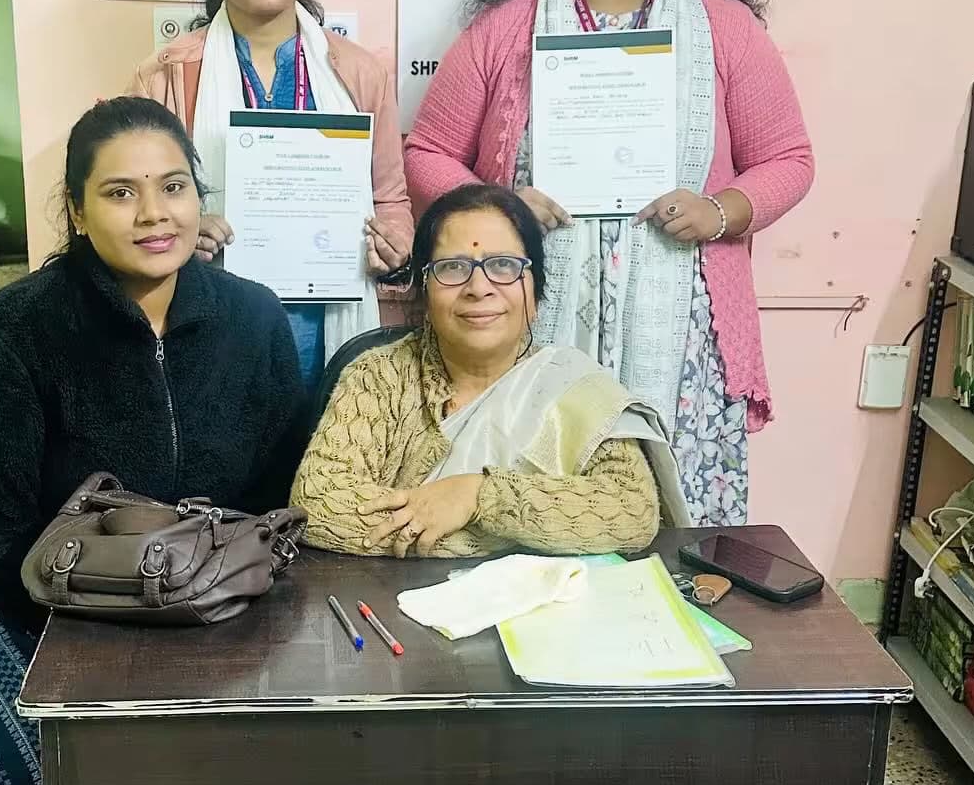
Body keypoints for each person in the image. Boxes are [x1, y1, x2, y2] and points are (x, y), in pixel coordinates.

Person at [403, 0, 814, 527]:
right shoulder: (506, 31)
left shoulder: (725, 29)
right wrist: (500, 211)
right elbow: (428, 152)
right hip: (535, 321)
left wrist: (719, 212)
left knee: (679, 543)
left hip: (686, 339)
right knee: (533, 507)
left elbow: (787, 160)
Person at [0, 97, 305, 785]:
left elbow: (278, 488)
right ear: (76, 210)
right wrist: (112, 617)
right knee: (54, 775)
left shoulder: (254, 316)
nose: (155, 213)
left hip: (203, 591)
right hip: (31, 595)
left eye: (174, 186)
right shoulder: (15, 330)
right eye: (120, 192)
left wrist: (211, 590)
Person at [130, 0, 413, 388]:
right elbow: (135, 209)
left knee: (326, 459)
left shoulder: (359, 73)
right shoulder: (165, 78)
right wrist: (184, 229)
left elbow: (391, 197)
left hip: (331, 330)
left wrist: (394, 239)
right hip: (208, 324)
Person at [291, 184, 689, 559]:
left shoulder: (575, 387)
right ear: (424, 293)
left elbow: (630, 510)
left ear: (535, 293)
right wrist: (503, 545)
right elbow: (318, 503)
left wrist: (480, 496)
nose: (478, 287)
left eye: (503, 266)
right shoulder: (379, 377)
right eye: (452, 268)